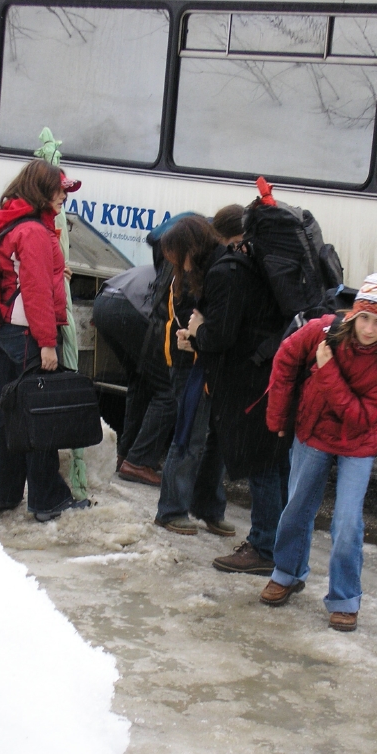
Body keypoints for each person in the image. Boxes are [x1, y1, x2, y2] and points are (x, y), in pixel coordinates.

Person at [261, 274, 377, 631]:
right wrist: (279, 416)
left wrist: (327, 371)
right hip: (312, 432)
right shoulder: (324, 330)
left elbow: (358, 418)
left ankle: (344, 598)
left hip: (358, 443)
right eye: (365, 318)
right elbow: (285, 358)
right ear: (354, 313)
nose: (369, 329)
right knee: (296, 507)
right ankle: (287, 573)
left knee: (346, 522)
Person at [160, 215, 290, 573]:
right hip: (269, 371)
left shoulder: (223, 273)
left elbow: (223, 336)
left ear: (191, 249)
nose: (178, 266)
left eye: (178, 257)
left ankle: (264, 547)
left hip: (250, 378)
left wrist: (198, 335)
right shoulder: (236, 261)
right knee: (276, 462)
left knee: (260, 463)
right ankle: (280, 543)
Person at [0, 159, 91, 523]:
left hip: (5, 329)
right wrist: (47, 342)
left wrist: (58, 270)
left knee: (5, 409)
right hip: (28, 333)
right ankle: (47, 500)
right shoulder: (35, 232)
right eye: (59, 189)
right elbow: (37, 291)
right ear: (42, 190)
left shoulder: (12, 221)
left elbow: (27, 275)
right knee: (40, 413)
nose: (63, 196)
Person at [154, 205, 244, 536]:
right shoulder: (187, 275)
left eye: (180, 256)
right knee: (189, 436)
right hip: (187, 366)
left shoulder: (217, 268)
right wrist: (194, 333)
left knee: (216, 440)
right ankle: (171, 509)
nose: (179, 263)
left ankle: (208, 506)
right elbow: (185, 319)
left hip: (212, 363)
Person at [93, 265, 177, 487]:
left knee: (140, 381)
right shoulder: (196, 269)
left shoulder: (169, 262)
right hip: (129, 308)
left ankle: (126, 454)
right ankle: (139, 461)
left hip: (105, 302)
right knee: (168, 390)